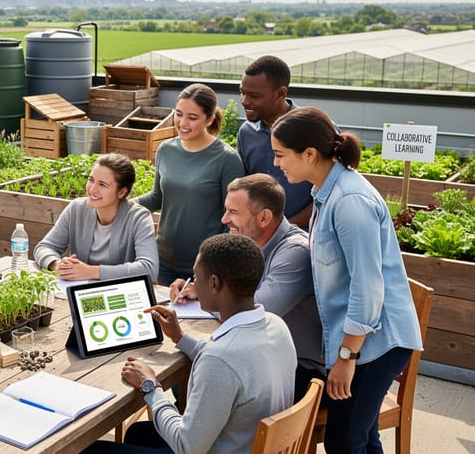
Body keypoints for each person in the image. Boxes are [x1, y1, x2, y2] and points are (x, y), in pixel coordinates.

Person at [271, 106, 422, 453]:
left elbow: (367, 288)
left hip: (375, 344)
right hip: (360, 340)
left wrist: (346, 359)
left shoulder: (350, 200)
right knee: (361, 438)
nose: (277, 163)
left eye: (281, 155)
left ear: (309, 154)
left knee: (343, 441)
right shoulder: (326, 191)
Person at [83, 234, 296, 454]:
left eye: (195, 276)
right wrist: (179, 337)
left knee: (90, 449)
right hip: (246, 442)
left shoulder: (220, 359)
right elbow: (234, 364)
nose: (192, 284)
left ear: (214, 283)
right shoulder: (276, 325)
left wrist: (151, 386)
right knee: (139, 433)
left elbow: (186, 447)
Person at [173, 173, 324, 400]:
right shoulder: (247, 241)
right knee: (187, 379)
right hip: (261, 355)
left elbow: (250, 313)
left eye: (233, 212)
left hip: (298, 369)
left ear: (264, 218)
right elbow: (226, 292)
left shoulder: (295, 252)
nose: (224, 219)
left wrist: (209, 296)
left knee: (197, 381)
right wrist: (198, 287)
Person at [134, 83, 244, 286]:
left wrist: (213, 262)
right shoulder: (165, 150)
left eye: (192, 118)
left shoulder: (227, 159)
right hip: (163, 259)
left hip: (205, 265)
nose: (182, 123)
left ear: (209, 119)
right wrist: (120, 203)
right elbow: (158, 197)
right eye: (179, 114)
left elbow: (234, 219)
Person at [34, 153, 158, 282]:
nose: (92, 189)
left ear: (122, 192)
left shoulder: (139, 218)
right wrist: (57, 265)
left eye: (102, 185)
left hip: (120, 295)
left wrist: (91, 271)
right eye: (91, 180)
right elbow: (44, 247)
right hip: (80, 290)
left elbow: (149, 269)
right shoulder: (76, 209)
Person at [237, 55, 314, 228]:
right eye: (242, 92)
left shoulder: (313, 129)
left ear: (280, 93)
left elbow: (328, 192)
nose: (244, 101)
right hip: (260, 236)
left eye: (254, 96)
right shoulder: (246, 132)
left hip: (305, 239)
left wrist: (284, 230)